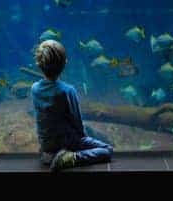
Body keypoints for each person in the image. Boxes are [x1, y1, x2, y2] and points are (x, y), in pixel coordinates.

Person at [31, 40, 113, 172]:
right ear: (65, 63)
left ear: (39, 64)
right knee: (107, 150)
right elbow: (77, 122)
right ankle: (70, 158)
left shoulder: (34, 88)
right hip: (67, 143)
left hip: (45, 147)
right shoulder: (67, 90)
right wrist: (81, 140)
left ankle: (51, 156)